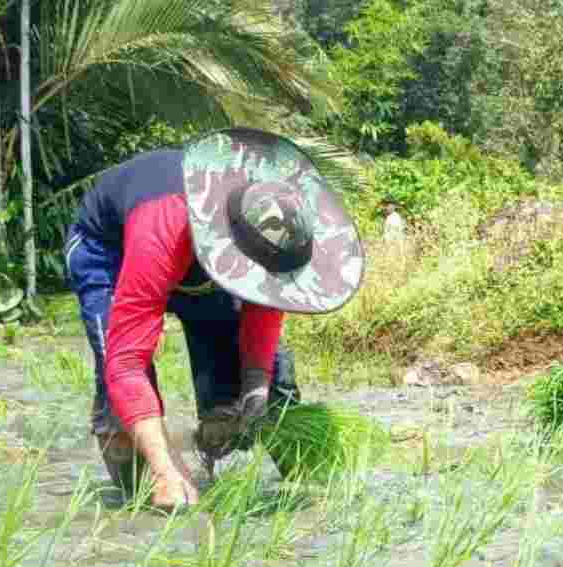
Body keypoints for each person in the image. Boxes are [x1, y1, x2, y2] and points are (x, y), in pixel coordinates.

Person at [64, 128, 365, 511]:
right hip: (113, 251)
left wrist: (256, 386)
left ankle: (287, 481)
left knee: (240, 399)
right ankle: (144, 492)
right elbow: (126, 363)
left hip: (200, 256)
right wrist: (164, 468)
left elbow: (264, 308)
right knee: (123, 409)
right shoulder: (161, 227)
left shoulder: (263, 231)